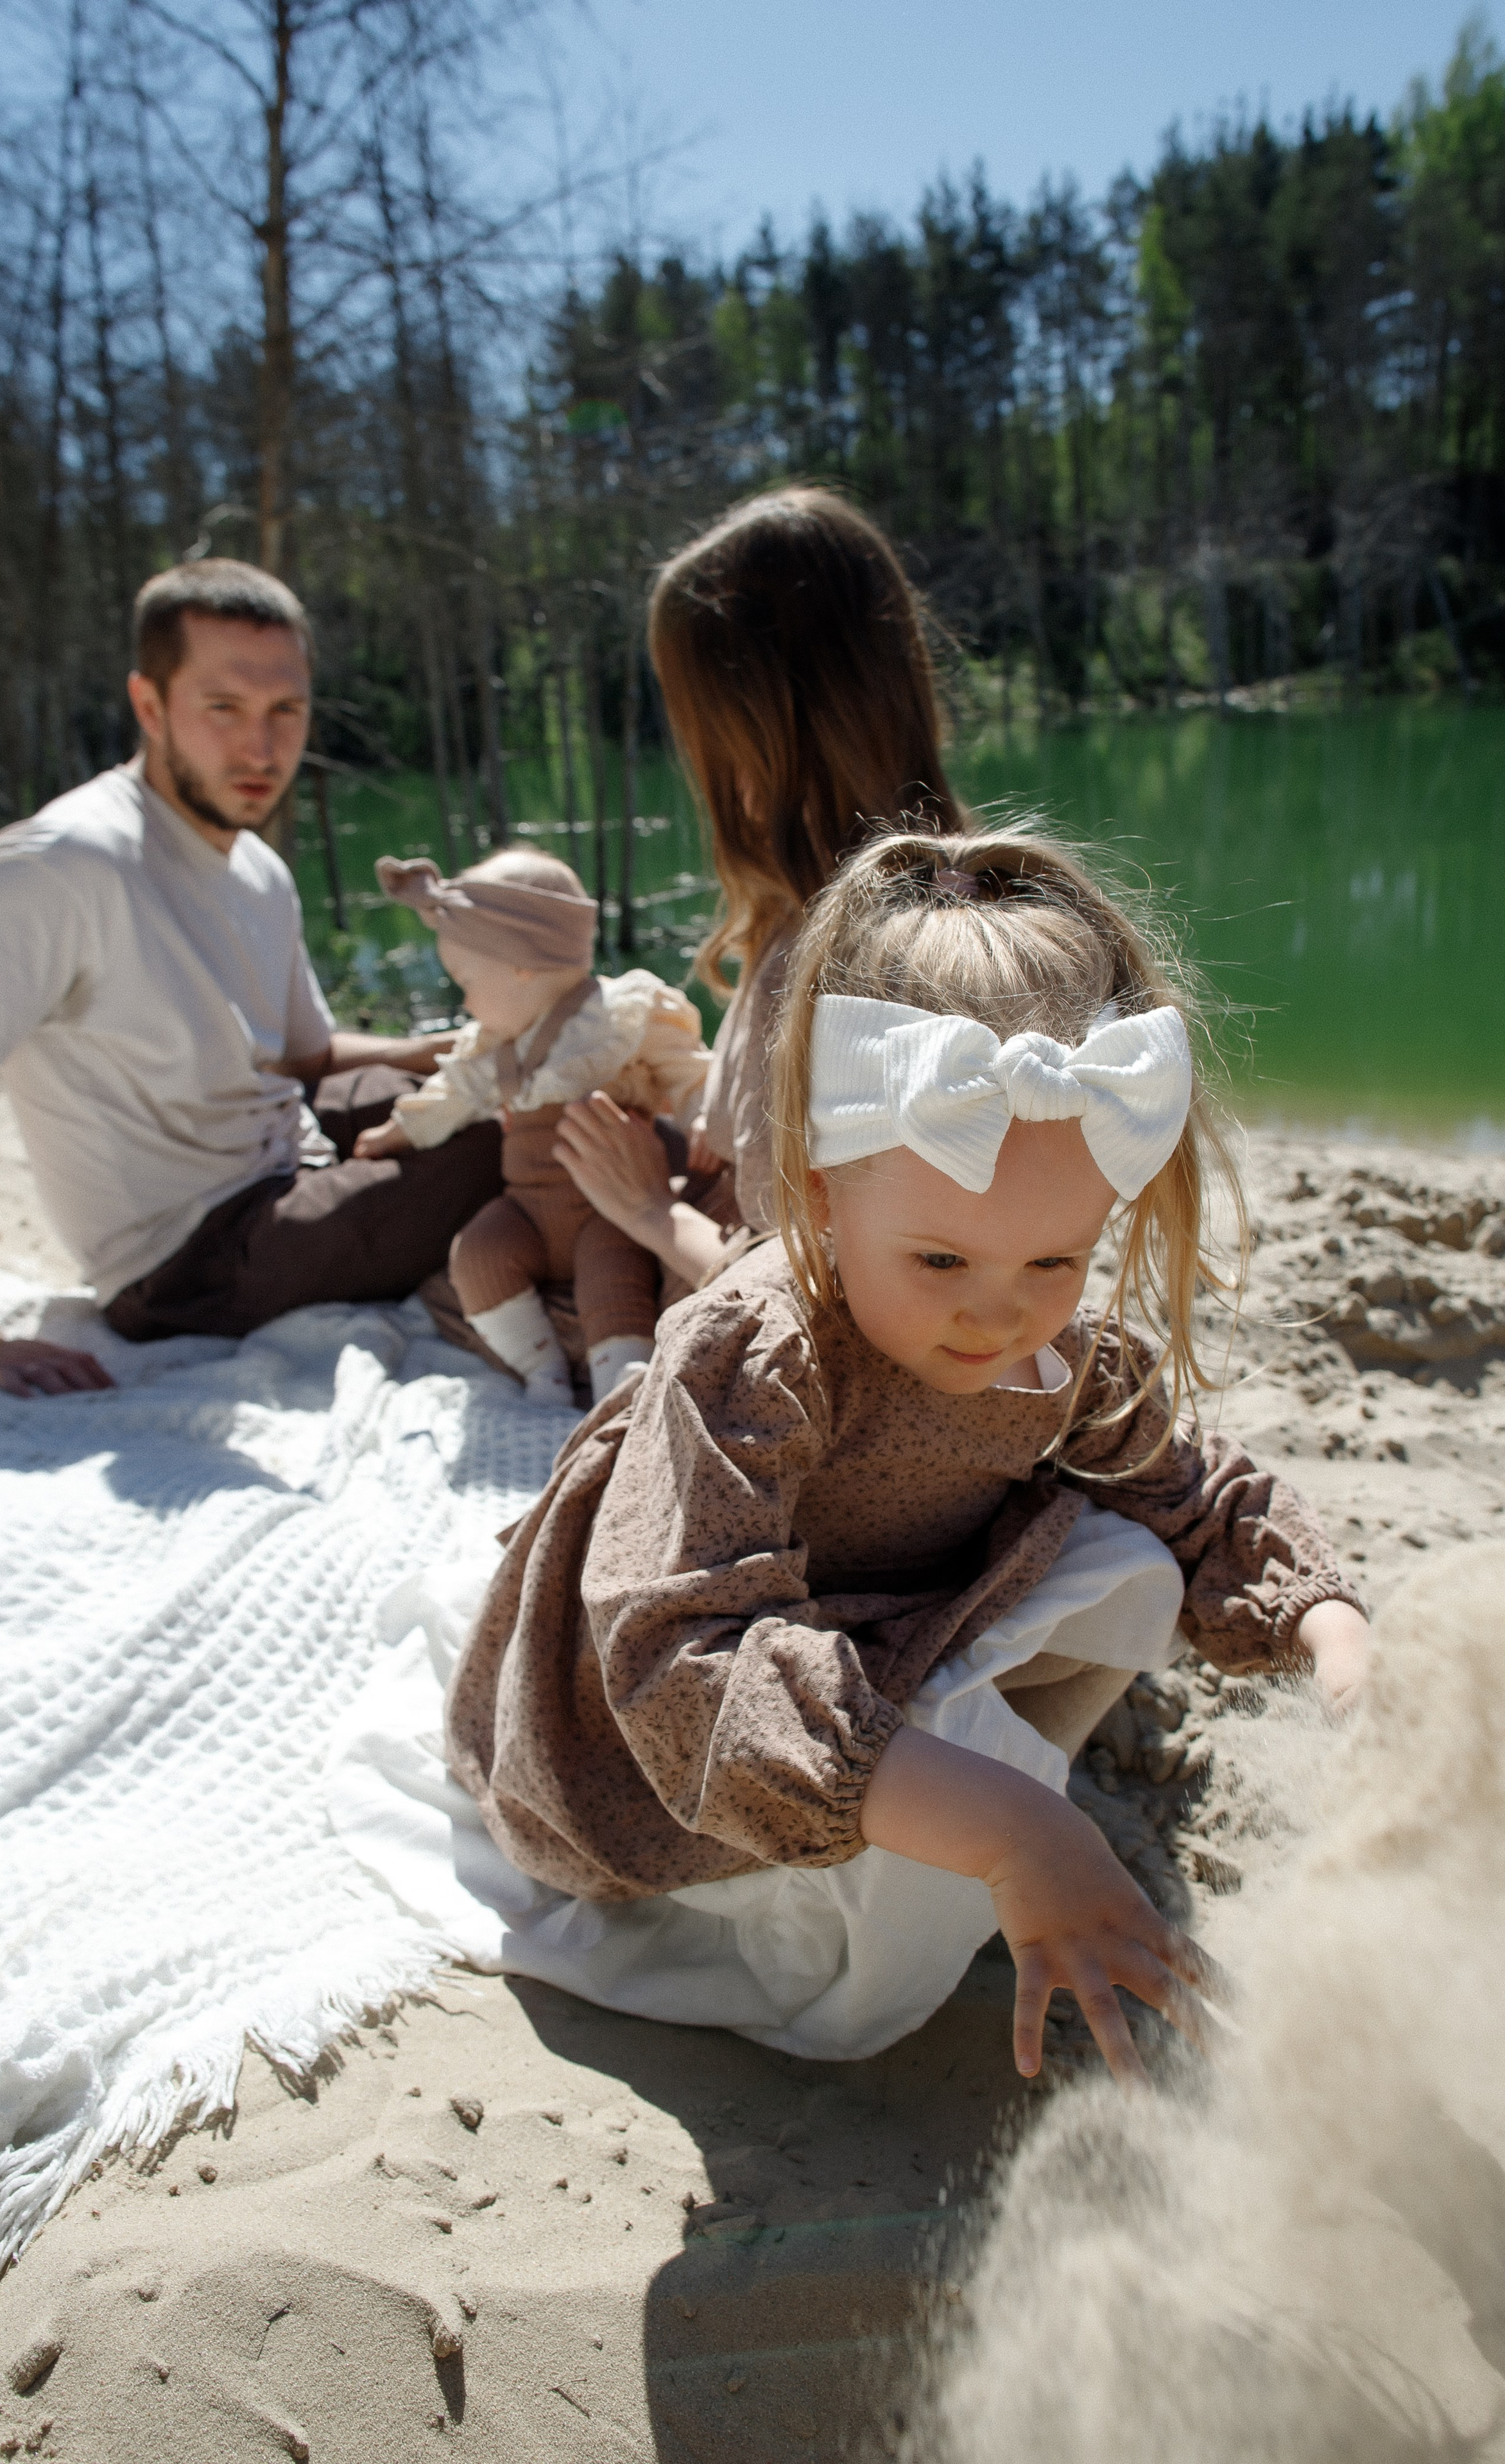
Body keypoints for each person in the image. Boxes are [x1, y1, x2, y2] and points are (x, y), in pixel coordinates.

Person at [437, 825, 1370, 2079]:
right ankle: (923, 1819)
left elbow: (1188, 1485)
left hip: (875, 1631)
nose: (995, 1312)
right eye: (939, 1261)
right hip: (669, 1703)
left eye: (1055, 1259)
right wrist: (1010, 1833)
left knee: (1130, 1554)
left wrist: (1330, 1637)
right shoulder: (757, 1358)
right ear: (821, 1191)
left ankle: (948, 1791)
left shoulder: (1056, 1358)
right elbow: (679, 1659)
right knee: (868, 1961)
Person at [0, 560, 502, 1396]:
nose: (262, 747)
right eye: (225, 708)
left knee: (509, 1083)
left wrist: (461, 1046)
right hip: (187, 1260)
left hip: (290, 1150)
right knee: (512, 1136)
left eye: (287, 710)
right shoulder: (59, 866)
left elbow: (307, 1062)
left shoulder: (259, 871)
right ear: (150, 706)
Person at [550, 483, 969, 1293]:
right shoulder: (949, 891)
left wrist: (648, 1210)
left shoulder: (821, 962)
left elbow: (813, 1293)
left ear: (753, 735)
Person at [358, 847, 710, 1407]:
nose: (465, 999)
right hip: (527, 1209)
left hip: (608, 1207)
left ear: (520, 966)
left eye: (467, 979)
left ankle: (618, 1386)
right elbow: (448, 1099)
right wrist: (395, 1132)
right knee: (477, 1253)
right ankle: (538, 1368)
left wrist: (706, 1120)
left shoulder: (615, 1018)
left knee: (613, 1279)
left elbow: (687, 1066)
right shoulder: (493, 1045)